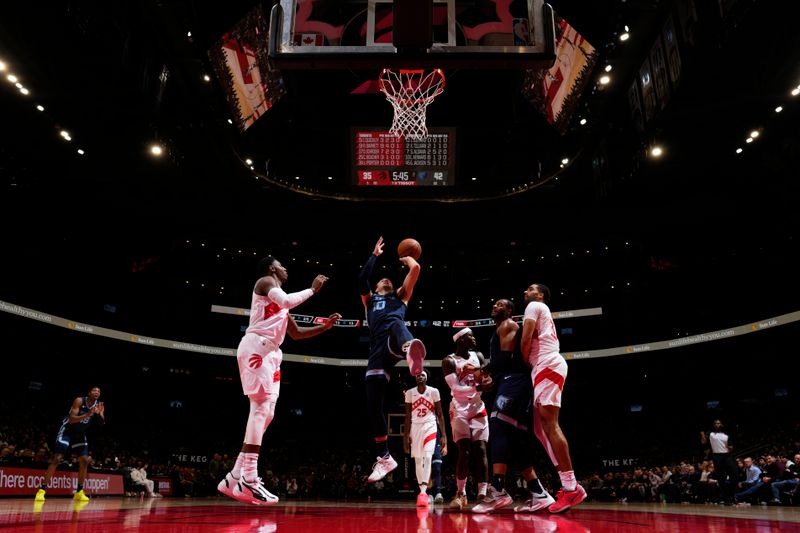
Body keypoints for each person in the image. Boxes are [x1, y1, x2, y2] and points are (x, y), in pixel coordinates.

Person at [217, 256, 341, 505]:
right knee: (260, 408)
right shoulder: (265, 283)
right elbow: (286, 300)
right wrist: (312, 290)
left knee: (268, 412)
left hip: (273, 352)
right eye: (281, 265)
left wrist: (324, 328)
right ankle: (249, 480)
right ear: (272, 268)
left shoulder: (281, 305)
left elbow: (295, 333)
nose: (285, 268)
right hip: (257, 347)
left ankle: (234, 477)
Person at [472, 299, 555, 514]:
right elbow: (502, 365)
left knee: (498, 423)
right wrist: (490, 381)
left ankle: (498, 489)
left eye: (500, 304)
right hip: (511, 382)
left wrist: (483, 370)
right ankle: (538, 493)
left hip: (515, 381)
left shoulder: (508, 325)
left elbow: (507, 359)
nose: (494, 306)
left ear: (509, 310)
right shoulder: (499, 329)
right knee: (515, 438)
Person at [359, 236, 427, 483]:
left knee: (398, 323)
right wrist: (374, 255)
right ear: (376, 288)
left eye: (388, 278)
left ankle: (410, 348)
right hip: (376, 356)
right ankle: (384, 457)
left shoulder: (400, 296)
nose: (385, 279)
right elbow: (362, 280)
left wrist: (409, 258)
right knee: (373, 407)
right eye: (381, 280)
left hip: (394, 343)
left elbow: (416, 269)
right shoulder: (369, 300)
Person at [521, 283, 586, 513]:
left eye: (529, 289)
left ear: (539, 295)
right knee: (540, 429)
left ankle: (571, 487)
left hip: (546, 363)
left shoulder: (534, 305)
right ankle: (567, 484)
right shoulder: (539, 309)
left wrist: (523, 362)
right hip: (545, 366)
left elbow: (526, 339)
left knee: (550, 424)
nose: (525, 292)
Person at [443, 327, 491, 511]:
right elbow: (456, 389)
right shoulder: (449, 361)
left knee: (481, 449)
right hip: (459, 408)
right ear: (461, 340)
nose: (474, 338)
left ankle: (482, 493)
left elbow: (487, 377)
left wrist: (486, 383)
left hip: (478, 406)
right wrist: (479, 388)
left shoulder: (477, 356)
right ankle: (461, 494)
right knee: (465, 450)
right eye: (470, 336)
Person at [35, 386, 105, 502]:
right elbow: (72, 419)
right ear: (89, 393)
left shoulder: (99, 405)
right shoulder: (79, 400)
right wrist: (88, 414)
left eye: (99, 391)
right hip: (67, 430)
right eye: (94, 390)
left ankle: (79, 492)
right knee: (57, 458)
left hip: (80, 433)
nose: (97, 392)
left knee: (84, 460)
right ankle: (41, 491)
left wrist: (99, 414)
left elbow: (102, 423)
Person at [403, 370, 448, 507]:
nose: (420, 377)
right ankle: (423, 491)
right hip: (415, 427)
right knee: (418, 460)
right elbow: (407, 416)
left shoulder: (434, 391)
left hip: (430, 426)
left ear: (427, 378)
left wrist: (444, 435)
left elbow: (440, 414)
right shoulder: (410, 393)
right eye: (418, 375)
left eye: (422, 375)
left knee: (428, 457)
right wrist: (405, 436)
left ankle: (423, 493)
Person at [700, 419, 737, 504]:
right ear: (713, 425)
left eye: (719, 423)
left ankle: (732, 494)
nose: (717, 424)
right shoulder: (710, 433)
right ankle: (727, 498)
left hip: (727, 456)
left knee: (735, 476)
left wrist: (729, 448)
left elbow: (731, 447)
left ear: (722, 425)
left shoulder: (726, 435)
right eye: (715, 423)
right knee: (721, 478)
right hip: (717, 456)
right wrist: (702, 433)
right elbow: (703, 442)